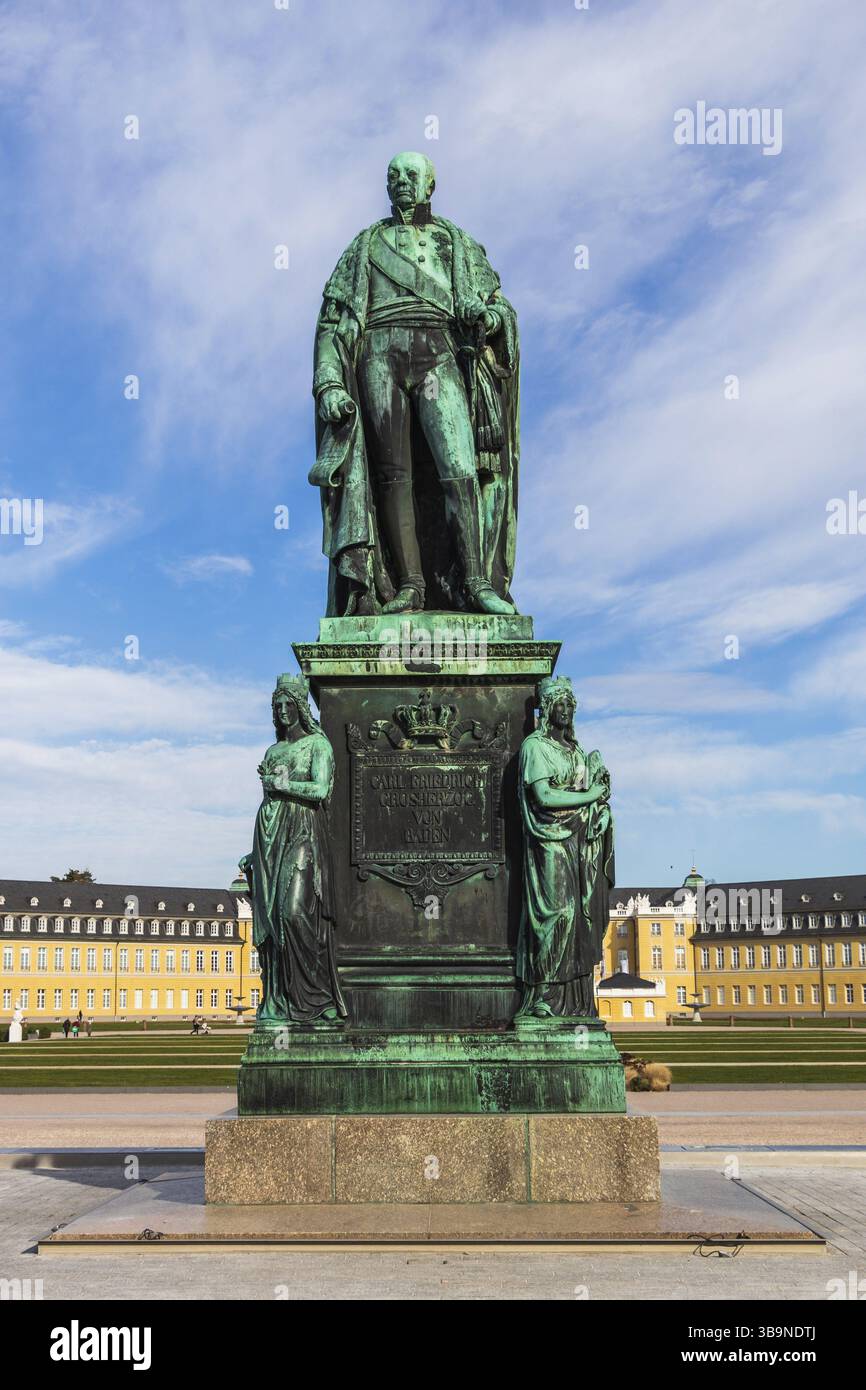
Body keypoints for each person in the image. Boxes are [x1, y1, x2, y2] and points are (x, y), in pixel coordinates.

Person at [310, 151, 519, 618]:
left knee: (459, 467)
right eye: (392, 175)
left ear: (430, 185)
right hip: (379, 354)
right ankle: (409, 585)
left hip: (438, 351)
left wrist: (485, 318)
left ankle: (477, 583)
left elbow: (500, 309)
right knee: (392, 475)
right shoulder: (365, 247)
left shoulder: (455, 243)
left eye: (410, 174)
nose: (400, 181)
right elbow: (332, 321)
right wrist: (329, 385)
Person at [241, 673, 347, 1026]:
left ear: (301, 707)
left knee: (292, 912)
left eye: (288, 704)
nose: (282, 711)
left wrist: (283, 784)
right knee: (272, 920)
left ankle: (316, 997)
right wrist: (254, 854)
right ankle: (281, 1000)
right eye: (277, 706)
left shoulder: (319, 746)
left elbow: (319, 791)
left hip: (303, 831)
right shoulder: (273, 751)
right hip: (270, 836)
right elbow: (267, 801)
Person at [516, 676, 615, 1020]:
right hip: (548, 840)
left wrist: (599, 814)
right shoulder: (534, 747)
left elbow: (590, 798)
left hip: (577, 841)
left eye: (571, 704)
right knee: (557, 914)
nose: (567, 710)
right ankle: (542, 993)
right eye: (560, 703)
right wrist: (590, 796)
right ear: (547, 709)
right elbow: (543, 796)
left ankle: (573, 999)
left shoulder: (575, 752)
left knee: (578, 919)